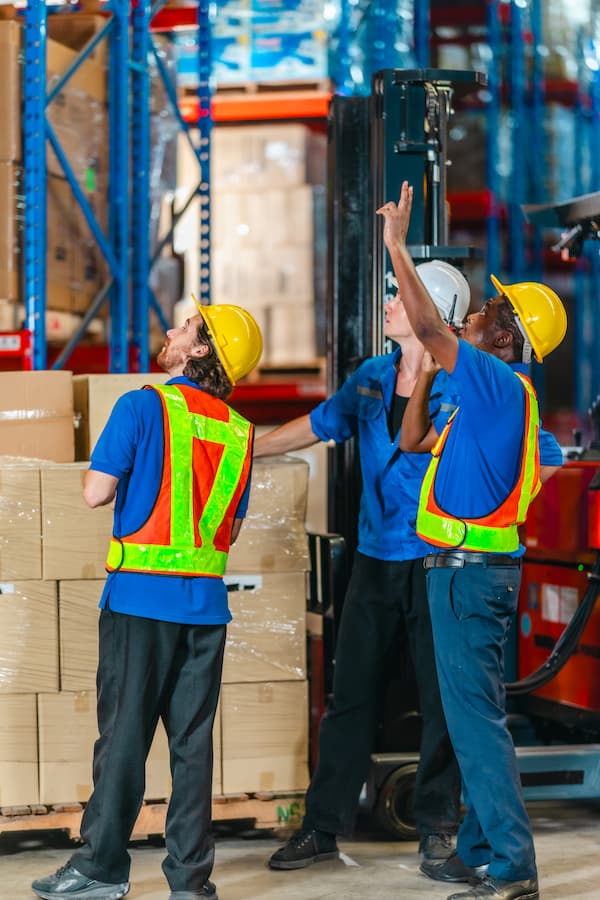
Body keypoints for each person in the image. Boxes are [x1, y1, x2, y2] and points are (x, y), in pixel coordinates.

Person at [32, 302, 263, 900]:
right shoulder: (240, 433)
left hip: (139, 604)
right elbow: (229, 532)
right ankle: (190, 883)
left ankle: (100, 869)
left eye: (184, 327)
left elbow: (93, 492)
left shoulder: (143, 405)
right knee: (192, 748)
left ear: (201, 349)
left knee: (125, 738)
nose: (170, 331)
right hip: (207, 612)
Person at [377, 181, 567, 900]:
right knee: (468, 719)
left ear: (507, 336)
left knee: (476, 724)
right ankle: (485, 848)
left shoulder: (495, 384)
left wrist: (398, 247)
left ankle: (514, 870)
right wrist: (424, 374)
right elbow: (411, 437)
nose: (478, 312)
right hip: (462, 576)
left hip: (468, 577)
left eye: (491, 309)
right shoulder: (480, 398)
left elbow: (431, 329)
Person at [258, 260, 472, 872]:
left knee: (440, 701)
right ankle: (322, 827)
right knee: (349, 697)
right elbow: (319, 424)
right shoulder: (372, 377)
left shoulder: (462, 383)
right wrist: (243, 446)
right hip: (374, 561)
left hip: (438, 561)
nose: (387, 304)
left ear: (432, 312)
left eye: (398, 296)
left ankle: (438, 830)